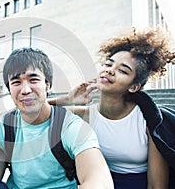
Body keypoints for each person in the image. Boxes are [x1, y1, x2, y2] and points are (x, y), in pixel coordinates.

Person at [0, 47, 114, 189]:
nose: (25, 90)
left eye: (33, 80)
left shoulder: (70, 126)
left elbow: (100, 180)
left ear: (47, 85)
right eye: (16, 82)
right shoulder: (3, 127)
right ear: (10, 91)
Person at [50, 27, 174, 189]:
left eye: (122, 70)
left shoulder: (148, 120)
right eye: (108, 64)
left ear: (134, 87)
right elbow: (32, 112)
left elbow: (156, 186)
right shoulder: (84, 115)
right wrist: (67, 99)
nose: (110, 70)